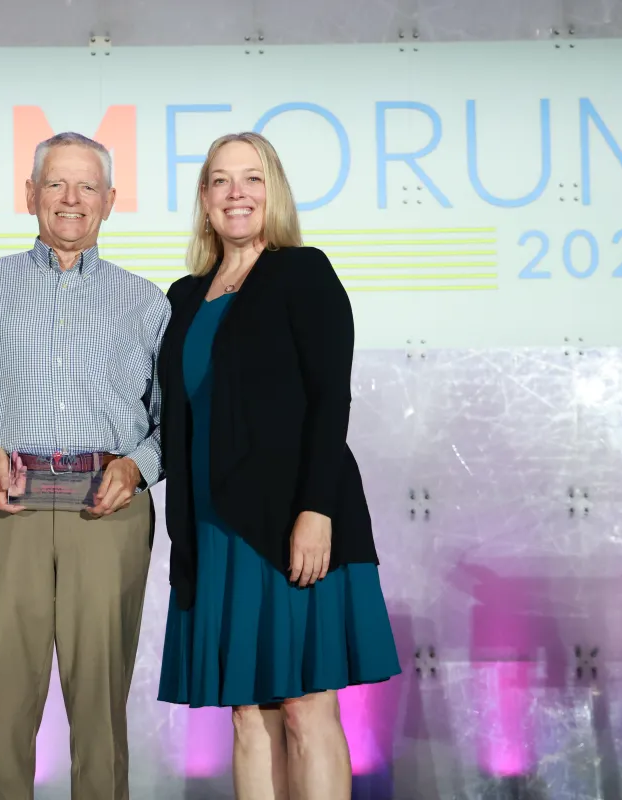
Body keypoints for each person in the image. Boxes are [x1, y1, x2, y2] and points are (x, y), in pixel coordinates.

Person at [0, 132, 170, 800]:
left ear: (109, 200)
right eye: (56, 184)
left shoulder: (148, 302)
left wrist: (137, 467)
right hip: (5, 506)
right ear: (30, 196)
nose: (71, 200)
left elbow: (176, 424)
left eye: (86, 187)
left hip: (108, 512)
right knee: (2, 701)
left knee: (101, 706)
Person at [155, 132, 401, 800]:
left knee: (305, 706)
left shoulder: (303, 273)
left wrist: (315, 511)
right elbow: (177, 417)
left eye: (252, 179)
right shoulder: (181, 298)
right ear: (205, 201)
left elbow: (330, 398)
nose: (237, 193)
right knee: (248, 713)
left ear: (275, 192)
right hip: (214, 528)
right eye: (221, 181)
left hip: (293, 519)